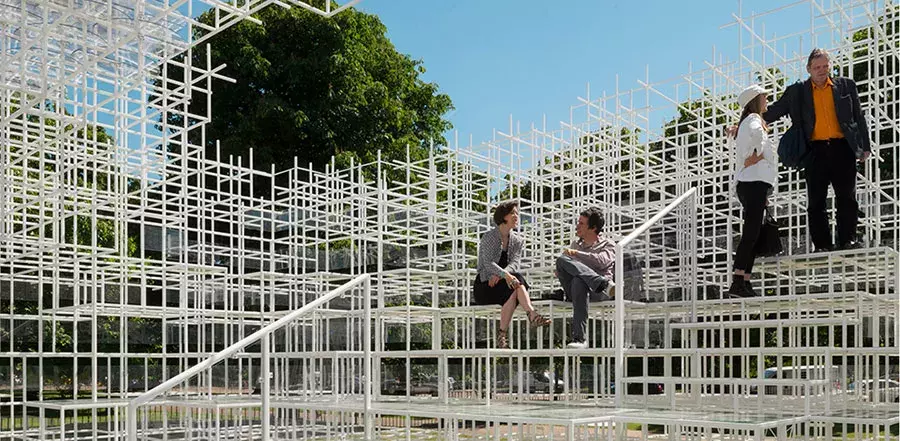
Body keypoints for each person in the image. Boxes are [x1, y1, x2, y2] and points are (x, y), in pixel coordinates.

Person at [761, 48, 871, 252]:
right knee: (816, 201)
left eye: (825, 66)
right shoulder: (798, 91)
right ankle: (822, 245)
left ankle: (848, 240)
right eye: (817, 67)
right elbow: (775, 110)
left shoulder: (846, 85)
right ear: (808, 69)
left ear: (830, 66)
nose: (822, 70)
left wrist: (865, 146)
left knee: (847, 198)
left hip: (843, 148)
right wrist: (746, 121)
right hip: (814, 150)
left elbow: (859, 115)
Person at [474, 200, 550, 349]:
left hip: (505, 284)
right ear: (504, 216)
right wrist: (504, 275)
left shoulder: (517, 240)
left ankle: (504, 334)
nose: (517, 216)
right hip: (486, 285)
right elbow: (487, 263)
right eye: (513, 213)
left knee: (516, 284)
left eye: (517, 213)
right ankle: (531, 315)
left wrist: (503, 275)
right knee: (516, 281)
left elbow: (515, 263)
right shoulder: (489, 236)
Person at [728, 84, 778, 298]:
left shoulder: (747, 122)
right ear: (756, 100)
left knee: (753, 233)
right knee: (751, 233)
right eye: (764, 97)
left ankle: (743, 280)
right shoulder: (754, 120)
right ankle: (739, 280)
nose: (767, 100)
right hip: (754, 183)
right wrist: (760, 153)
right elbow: (758, 138)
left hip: (752, 184)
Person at [555, 207, 614, 349]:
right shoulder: (575, 245)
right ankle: (602, 283)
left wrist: (577, 255)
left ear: (593, 227)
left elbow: (602, 261)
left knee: (578, 280)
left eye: (581, 223)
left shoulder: (608, 244)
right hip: (575, 292)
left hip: (597, 294)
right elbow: (564, 266)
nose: (577, 226)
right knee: (561, 260)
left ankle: (579, 339)